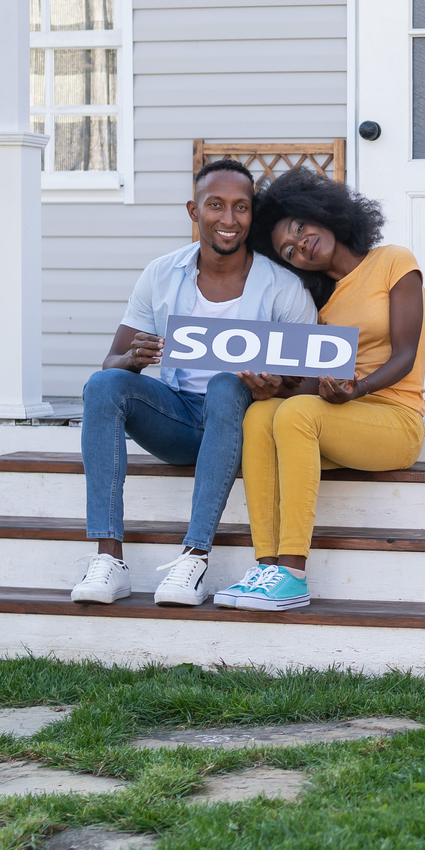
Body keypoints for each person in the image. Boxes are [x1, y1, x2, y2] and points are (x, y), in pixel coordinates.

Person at [71, 158, 318, 607]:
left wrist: (274, 388)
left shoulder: (283, 288)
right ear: (193, 210)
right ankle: (109, 559)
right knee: (102, 385)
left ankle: (194, 559)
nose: (228, 219)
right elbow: (111, 360)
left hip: (242, 423)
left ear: (252, 214)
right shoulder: (162, 274)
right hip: (179, 417)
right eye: (216, 205)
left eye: (241, 208)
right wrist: (132, 358)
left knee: (227, 384)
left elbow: (310, 388)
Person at [215, 170, 425, 611]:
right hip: (345, 419)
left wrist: (357, 389)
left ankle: (292, 574)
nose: (301, 245)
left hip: (396, 419)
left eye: (299, 227)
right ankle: (266, 566)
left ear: (320, 212)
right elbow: (315, 383)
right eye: (288, 252)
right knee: (260, 414)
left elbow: (405, 354)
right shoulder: (321, 307)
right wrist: (275, 385)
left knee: (295, 415)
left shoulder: (394, 261)